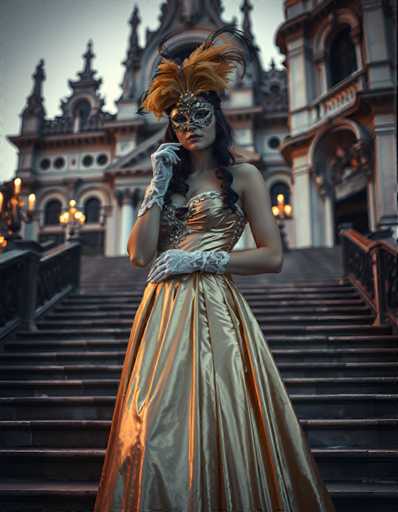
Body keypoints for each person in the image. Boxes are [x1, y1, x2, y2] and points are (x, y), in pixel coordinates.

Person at [93, 27, 336, 512]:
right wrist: (157, 183)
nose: (191, 125)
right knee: (156, 421)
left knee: (221, 409)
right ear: (172, 127)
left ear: (217, 116)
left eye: (200, 114)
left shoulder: (244, 174)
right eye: (180, 119)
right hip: (160, 312)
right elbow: (139, 255)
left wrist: (202, 258)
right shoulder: (168, 176)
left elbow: (272, 255)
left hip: (216, 309)